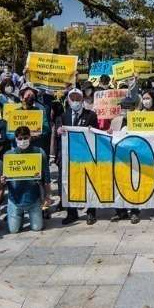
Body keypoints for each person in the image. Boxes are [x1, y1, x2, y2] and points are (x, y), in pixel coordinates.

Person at [58, 88, 98, 225]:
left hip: (85, 155)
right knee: (68, 183)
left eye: (78, 99)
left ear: (82, 100)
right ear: (68, 101)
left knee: (88, 183)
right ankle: (71, 213)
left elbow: (95, 134)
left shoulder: (91, 115)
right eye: (72, 99)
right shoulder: (64, 116)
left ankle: (91, 212)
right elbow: (59, 135)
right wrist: (59, 131)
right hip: (69, 156)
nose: (75, 101)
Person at [4, 126, 49, 234]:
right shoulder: (9, 155)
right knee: (13, 230)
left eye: (25, 138)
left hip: (33, 197)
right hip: (15, 198)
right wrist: (2, 180)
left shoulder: (39, 152)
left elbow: (47, 177)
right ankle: (17, 215)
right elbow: (2, 180)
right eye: (20, 138)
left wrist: (47, 196)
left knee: (37, 228)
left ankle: (35, 213)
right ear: (15, 139)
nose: (23, 141)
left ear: (30, 137)